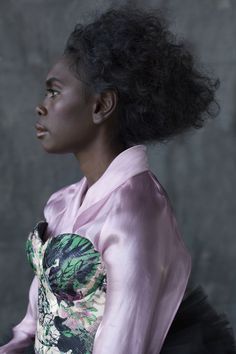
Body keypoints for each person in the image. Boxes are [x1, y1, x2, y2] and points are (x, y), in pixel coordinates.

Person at [0, 5, 235, 354]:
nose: (41, 106)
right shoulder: (61, 203)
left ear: (101, 106)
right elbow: (33, 323)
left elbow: (122, 345)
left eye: (54, 91)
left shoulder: (138, 212)